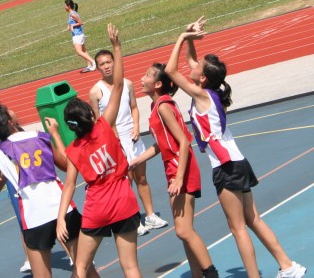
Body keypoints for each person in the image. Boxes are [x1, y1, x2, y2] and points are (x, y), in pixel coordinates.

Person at [164, 16, 307, 278]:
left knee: (238, 227)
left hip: (225, 166)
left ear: (204, 78)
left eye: (199, 68)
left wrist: (182, 38)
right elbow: (191, 63)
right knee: (253, 219)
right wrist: (191, 38)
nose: (193, 67)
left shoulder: (200, 94)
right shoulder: (212, 92)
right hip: (238, 161)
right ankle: (288, 265)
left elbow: (172, 71)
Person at [56, 24, 142, 278]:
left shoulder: (74, 150)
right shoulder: (105, 126)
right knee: (131, 266)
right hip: (124, 200)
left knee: (81, 267)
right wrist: (117, 46)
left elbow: (69, 185)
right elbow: (117, 87)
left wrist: (61, 218)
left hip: (98, 207)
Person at [0, 104, 97, 278]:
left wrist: (7, 174)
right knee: (85, 268)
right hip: (62, 207)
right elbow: (65, 164)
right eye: (10, 110)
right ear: (10, 121)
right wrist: (54, 134)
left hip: (35, 216)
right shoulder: (39, 137)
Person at [129, 62, 218, 278]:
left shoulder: (163, 107)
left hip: (181, 168)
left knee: (183, 230)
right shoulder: (158, 106)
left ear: (158, 84)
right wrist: (134, 161)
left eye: (147, 75)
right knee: (184, 231)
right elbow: (161, 144)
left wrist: (178, 178)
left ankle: (211, 273)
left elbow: (184, 142)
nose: (142, 78)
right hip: (175, 168)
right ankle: (197, 274)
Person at [89, 49, 168, 236]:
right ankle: (133, 220)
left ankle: (149, 215)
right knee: (126, 182)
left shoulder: (128, 84)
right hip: (116, 142)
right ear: (98, 67)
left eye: (109, 62)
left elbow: (134, 108)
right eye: (102, 64)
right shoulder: (95, 92)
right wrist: (113, 137)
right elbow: (98, 121)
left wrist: (136, 127)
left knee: (141, 177)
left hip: (133, 138)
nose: (107, 66)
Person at [64, 0, 96, 73]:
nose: (64, 7)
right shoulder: (72, 13)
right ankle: (89, 65)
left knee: (79, 52)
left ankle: (93, 62)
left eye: (65, 5)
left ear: (68, 6)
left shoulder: (72, 14)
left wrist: (73, 26)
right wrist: (69, 26)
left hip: (77, 35)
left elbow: (81, 22)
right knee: (84, 51)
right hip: (78, 34)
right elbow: (73, 22)